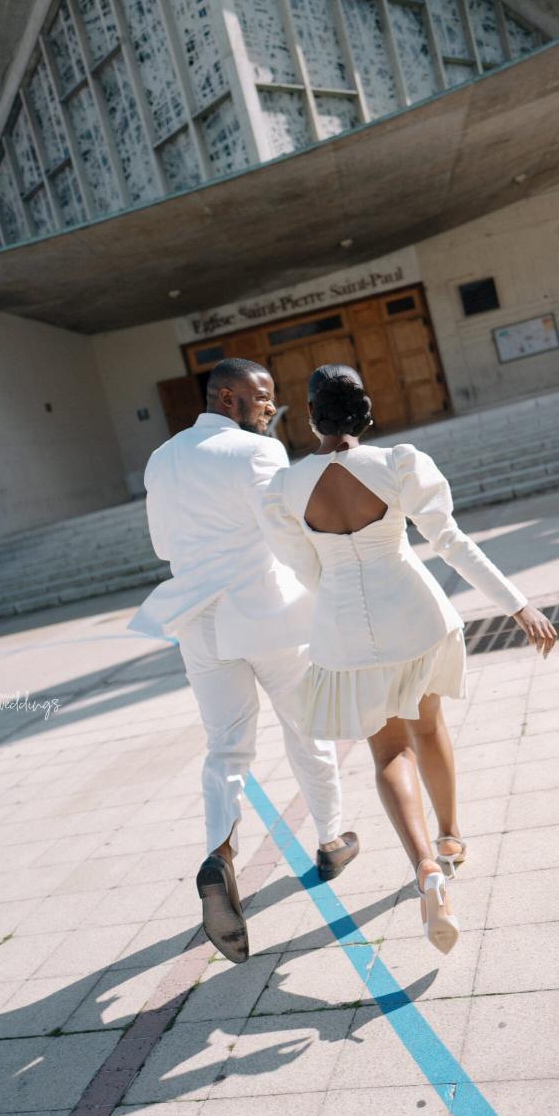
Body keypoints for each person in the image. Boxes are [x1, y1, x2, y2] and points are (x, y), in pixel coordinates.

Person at [260, 365, 557, 954]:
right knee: (430, 727)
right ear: (364, 409)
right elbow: (450, 543)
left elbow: (305, 570)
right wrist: (518, 605)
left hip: (345, 633)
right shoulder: (398, 463)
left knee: (388, 751)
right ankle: (450, 839)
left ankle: (424, 867)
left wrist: (343, 598)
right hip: (416, 617)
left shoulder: (283, 489)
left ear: (311, 415)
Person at [127, 358, 359, 964]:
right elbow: (286, 531)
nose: (270, 405)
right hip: (265, 612)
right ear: (227, 398)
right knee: (306, 726)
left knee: (226, 746)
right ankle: (331, 840)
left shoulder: (162, 458)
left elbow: (162, 544)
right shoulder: (259, 452)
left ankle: (219, 855)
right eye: (262, 396)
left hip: (197, 621)